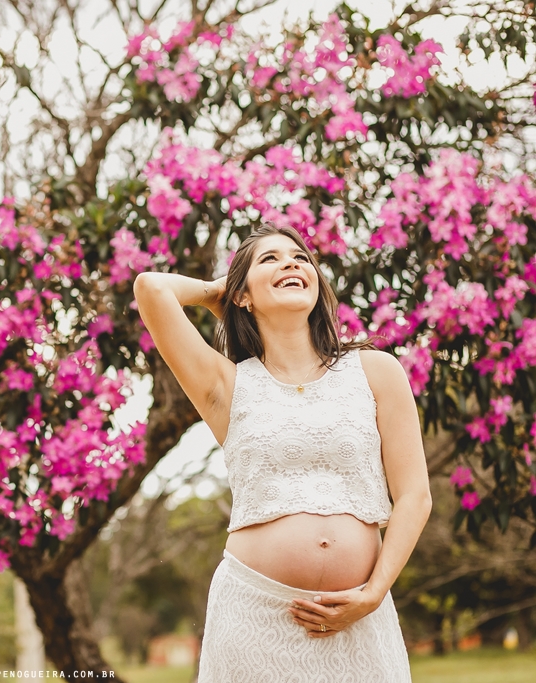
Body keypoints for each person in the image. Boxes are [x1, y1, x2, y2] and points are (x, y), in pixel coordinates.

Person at [133, 224, 431, 682]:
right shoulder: (226, 385)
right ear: (243, 296)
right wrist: (221, 291)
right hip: (253, 615)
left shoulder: (376, 370)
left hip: (360, 615)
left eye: (300, 258)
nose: (291, 263)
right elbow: (151, 287)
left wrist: (373, 594)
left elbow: (414, 495)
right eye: (269, 260)